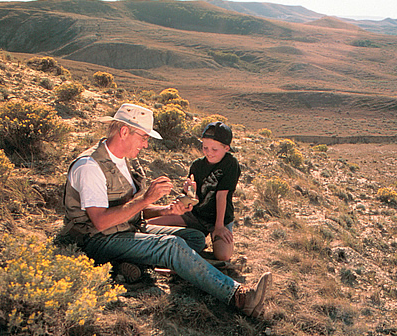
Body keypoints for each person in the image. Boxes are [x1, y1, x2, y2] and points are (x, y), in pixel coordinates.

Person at [60, 103, 271, 317]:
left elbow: (132, 211)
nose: (145, 145)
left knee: (194, 238)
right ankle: (238, 296)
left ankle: (128, 263)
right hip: (96, 240)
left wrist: (166, 210)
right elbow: (101, 222)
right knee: (172, 245)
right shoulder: (90, 167)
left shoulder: (126, 162)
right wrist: (145, 199)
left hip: (124, 230)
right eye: (143, 137)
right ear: (124, 131)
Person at [148, 121, 239, 261]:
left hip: (219, 217)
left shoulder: (230, 164)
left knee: (223, 255)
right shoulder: (197, 165)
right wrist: (189, 191)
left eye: (214, 149)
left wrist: (219, 226)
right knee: (149, 225)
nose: (209, 152)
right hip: (196, 215)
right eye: (205, 147)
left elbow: (222, 195)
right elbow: (193, 197)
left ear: (226, 148)